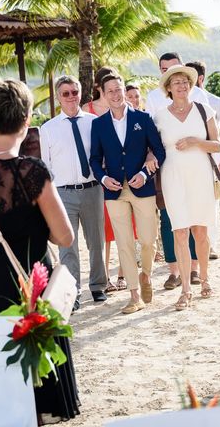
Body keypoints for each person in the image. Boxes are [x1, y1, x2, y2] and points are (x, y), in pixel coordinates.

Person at [0, 79, 79, 423]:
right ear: (27, 119)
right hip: (30, 279)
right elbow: (65, 236)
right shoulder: (31, 170)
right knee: (37, 383)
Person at [90, 72, 166, 314]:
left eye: (118, 89)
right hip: (114, 192)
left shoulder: (142, 119)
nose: (115, 94)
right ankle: (134, 295)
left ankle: (146, 275)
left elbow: (160, 152)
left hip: (142, 187)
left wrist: (145, 173)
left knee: (147, 240)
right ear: (103, 94)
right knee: (124, 243)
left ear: (124, 91)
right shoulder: (98, 124)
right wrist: (103, 178)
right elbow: (93, 160)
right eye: (109, 90)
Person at [153, 65, 220, 310]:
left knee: (200, 232)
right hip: (173, 177)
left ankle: (204, 279)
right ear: (169, 88)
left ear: (190, 86)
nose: (181, 86)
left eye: (185, 82)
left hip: (200, 175)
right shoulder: (159, 116)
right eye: (176, 83)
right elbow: (154, 148)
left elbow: (217, 145)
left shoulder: (204, 110)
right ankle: (185, 289)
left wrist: (195, 141)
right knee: (180, 231)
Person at [40, 75, 107, 310]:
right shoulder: (47, 129)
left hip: (93, 189)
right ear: (58, 97)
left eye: (75, 92)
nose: (71, 97)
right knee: (68, 246)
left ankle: (99, 286)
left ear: (81, 93)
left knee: (96, 241)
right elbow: (44, 166)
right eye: (66, 93)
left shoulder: (94, 122)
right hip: (63, 193)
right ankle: (73, 291)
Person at [146, 53, 203, 288]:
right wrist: (150, 154)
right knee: (170, 220)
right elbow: (150, 134)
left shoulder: (198, 97)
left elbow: (208, 132)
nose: (168, 71)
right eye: (163, 69)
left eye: (173, 68)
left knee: (195, 218)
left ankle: (195, 269)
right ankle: (174, 271)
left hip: (195, 165)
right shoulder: (152, 98)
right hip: (167, 167)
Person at [185, 61, 220, 260]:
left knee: (211, 204)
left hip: (211, 160)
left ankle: (211, 246)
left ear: (200, 78)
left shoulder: (214, 101)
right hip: (187, 161)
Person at [83, 66, 129, 291]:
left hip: (123, 174)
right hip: (98, 176)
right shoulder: (87, 110)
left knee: (123, 226)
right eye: (107, 86)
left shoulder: (125, 107)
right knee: (105, 231)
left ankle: (123, 274)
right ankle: (106, 276)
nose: (113, 91)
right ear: (99, 87)